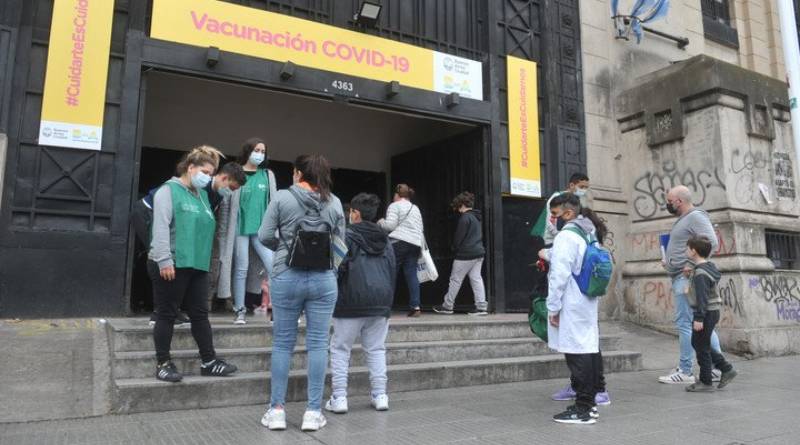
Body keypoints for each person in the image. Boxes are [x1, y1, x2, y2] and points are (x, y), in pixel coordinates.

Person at [258, 154, 346, 432]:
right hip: (323, 280)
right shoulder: (334, 203)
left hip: (286, 276)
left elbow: (263, 235)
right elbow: (342, 245)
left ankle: (277, 410)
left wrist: (284, 249)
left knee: (283, 343)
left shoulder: (282, 198)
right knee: (318, 344)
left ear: (297, 173)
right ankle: (312, 412)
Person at [148, 145, 238, 382]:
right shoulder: (168, 191)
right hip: (173, 263)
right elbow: (160, 228)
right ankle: (163, 363)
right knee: (167, 314)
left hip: (197, 265)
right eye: (205, 172)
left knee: (200, 314)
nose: (208, 177)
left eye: (211, 174)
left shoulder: (202, 197)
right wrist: (165, 259)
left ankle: (209, 361)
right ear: (190, 167)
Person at [132, 153, 246, 326]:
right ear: (223, 177)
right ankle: (161, 312)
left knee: (175, 263)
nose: (230, 192)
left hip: (169, 223)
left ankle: (170, 309)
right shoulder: (201, 186)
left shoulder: (217, 195)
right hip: (148, 213)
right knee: (160, 259)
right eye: (231, 187)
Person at [325, 193, 395, 414]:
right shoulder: (386, 240)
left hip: (350, 301)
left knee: (340, 348)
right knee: (376, 349)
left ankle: (339, 397)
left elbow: (334, 267)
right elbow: (393, 270)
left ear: (354, 213)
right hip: (380, 302)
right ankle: (380, 395)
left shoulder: (345, 235)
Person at [542, 193, 604, 425]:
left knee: (576, 353)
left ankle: (584, 409)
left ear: (567, 213)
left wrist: (553, 307)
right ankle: (590, 403)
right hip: (586, 298)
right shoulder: (588, 231)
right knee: (587, 349)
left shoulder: (567, 235)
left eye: (555, 214)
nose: (553, 219)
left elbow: (559, 275)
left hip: (572, 301)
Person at [659, 185, 724, 384]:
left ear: (679, 201)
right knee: (704, 327)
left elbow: (711, 242)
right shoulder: (685, 219)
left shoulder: (696, 216)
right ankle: (716, 368)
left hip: (685, 278)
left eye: (670, 201)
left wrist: (689, 263)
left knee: (685, 324)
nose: (667, 204)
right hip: (679, 276)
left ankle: (685, 371)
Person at [217, 138, 278, 325]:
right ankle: (240, 310)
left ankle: (279, 311)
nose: (259, 154)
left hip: (262, 231)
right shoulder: (236, 173)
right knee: (241, 268)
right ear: (248, 151)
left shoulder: (268, 175)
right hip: (240, 229)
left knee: (274, 267)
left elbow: (274, 203)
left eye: (263, 151)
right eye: (256, 150)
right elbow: (226, 205)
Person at [684, 236, 737, 392]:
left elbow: (702, 298)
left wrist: (699, 318)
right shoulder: (707, 267)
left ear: (694, 251)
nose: (686, 251)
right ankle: (725, 369)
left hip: (705, 313)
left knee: (701, 345)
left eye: (688, 248)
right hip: (711, 312)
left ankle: (707, 381)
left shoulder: (700, 273)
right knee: (700, 344)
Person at [432, 191, 488, 316]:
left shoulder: (465, 218)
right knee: (476, 279)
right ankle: (481, 307)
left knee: (455, 280)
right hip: (479, 253)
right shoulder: (476, 217)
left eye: (457, 205)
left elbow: (459, 238)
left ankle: (447, 306)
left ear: (461, 204)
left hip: (466, 254)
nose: (457, 209)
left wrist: (454, 248)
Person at [378, 184, 424, 317]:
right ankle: (415, 306)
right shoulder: (415, 208)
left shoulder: (394, 205)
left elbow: (390, 225)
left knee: (391, 273)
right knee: (412, 275)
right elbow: (420, 228)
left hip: (398, 243)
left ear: (397, 195)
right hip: (415, 243)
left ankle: (386, 306)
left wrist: (381, 222)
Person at [539, 173, 590, 245]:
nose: (584, 190)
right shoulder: (557, 197)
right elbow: (550, 221)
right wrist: (561, 235)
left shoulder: (578, 201)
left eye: (586, 187)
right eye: (581, 187)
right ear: (572, 185)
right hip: (552, 242)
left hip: (569, 241)